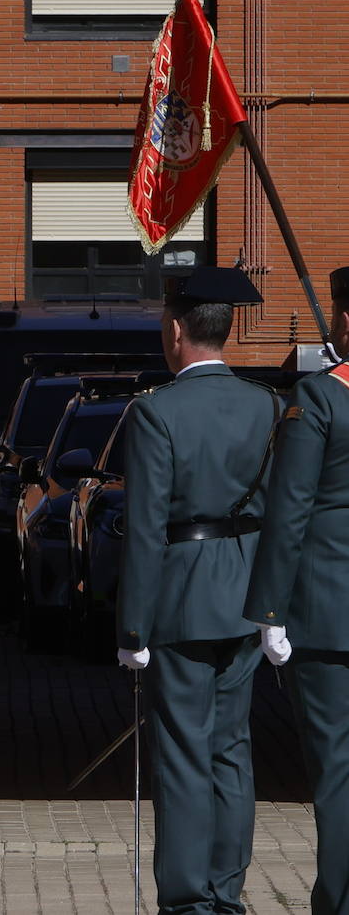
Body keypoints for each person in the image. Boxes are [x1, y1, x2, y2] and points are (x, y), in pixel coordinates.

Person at [115, 265, 280, 915]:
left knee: (184, 753)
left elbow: (145, 527)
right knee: (231, 750)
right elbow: (281, 512)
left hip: (182, 600)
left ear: (177, 331)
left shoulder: (155, 411)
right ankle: (224, 893)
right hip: (244, 596)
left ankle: (188, 901)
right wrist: (274, 607)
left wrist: (133, 628)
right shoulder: (267, 405)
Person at [243, 265, 349, 914]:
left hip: (330, 612)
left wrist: (268, 609)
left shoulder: (320, 398)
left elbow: (289, 511)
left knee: (337, 771)